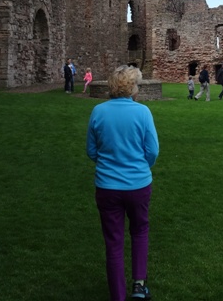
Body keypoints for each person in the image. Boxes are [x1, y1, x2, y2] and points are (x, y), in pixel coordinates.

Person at [87, 65, 159, 301]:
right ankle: (139, 286)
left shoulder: (98, 111)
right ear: (131, 88)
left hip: (107, 186)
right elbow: (152, 151)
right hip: (138, 184)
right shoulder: (143, 112)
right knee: (140, 231)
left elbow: (92, 151)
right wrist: (138, 166)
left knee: (114, 241)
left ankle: (117, 296)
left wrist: (110, 162)